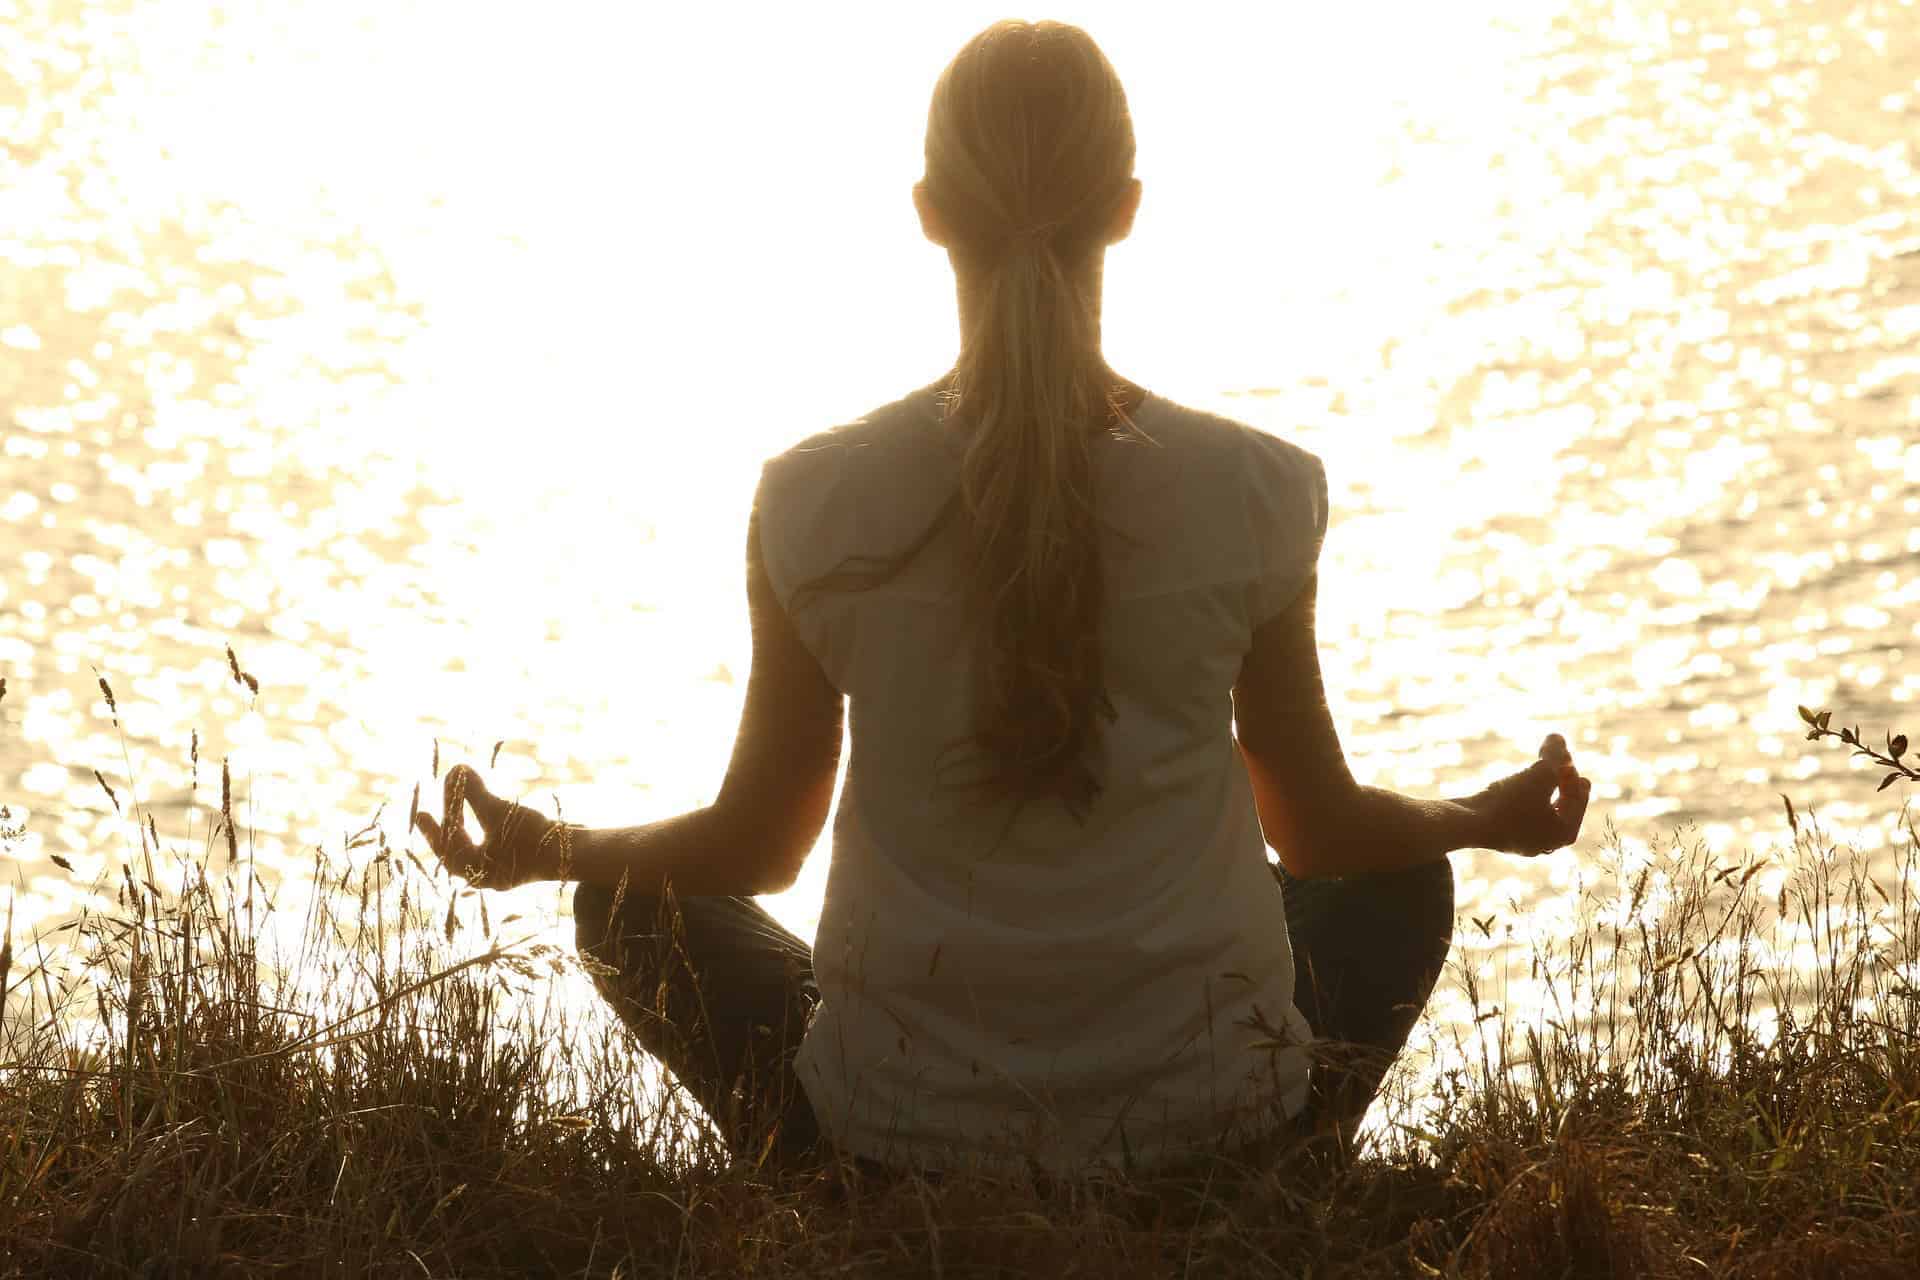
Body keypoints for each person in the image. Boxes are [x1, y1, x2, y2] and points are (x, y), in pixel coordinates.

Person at [414, 18, 1590, 1184]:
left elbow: (758, 846)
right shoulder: (1257, 489)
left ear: (927, 210)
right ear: (1127, 206)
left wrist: (547, 847)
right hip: (1212, 1131)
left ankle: (833, 1186)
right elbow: (1319, 829)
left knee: (628, 906)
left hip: (893, 1144)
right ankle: (1263, 1171)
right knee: (1398, 870)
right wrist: (1476, 816)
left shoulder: (812, 500)